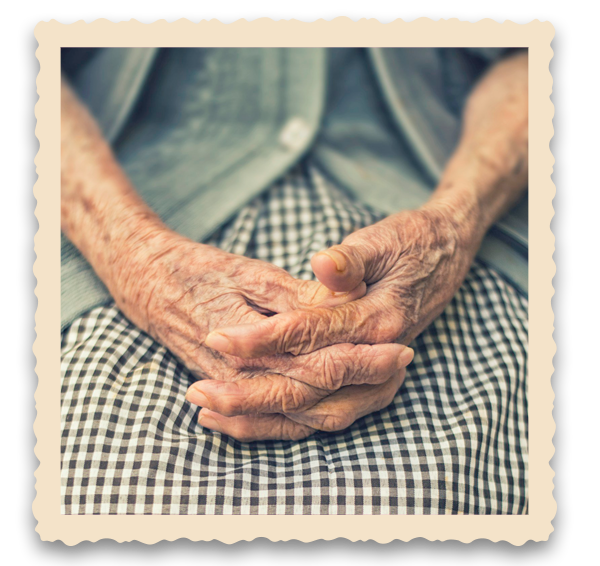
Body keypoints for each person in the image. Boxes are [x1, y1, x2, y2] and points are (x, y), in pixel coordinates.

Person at [60, 47, 528, 514]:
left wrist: (455, 223)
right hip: (114, 225)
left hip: (449, 229)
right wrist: (137, 257)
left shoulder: (448, 244)